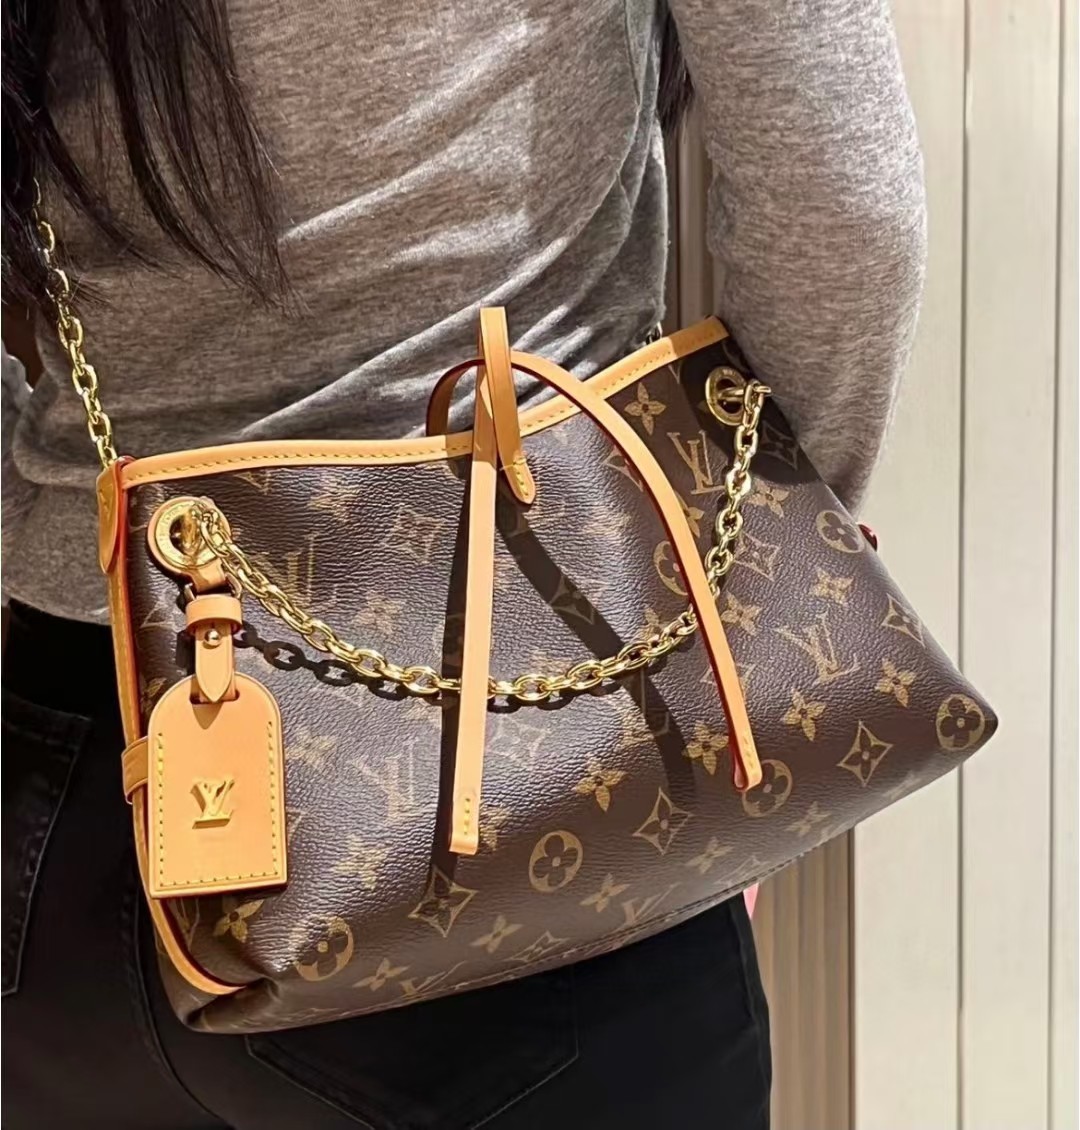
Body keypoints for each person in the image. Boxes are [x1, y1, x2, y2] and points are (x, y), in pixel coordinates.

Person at [0, 1, 926, 1126]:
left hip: (60, 810)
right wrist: (741, 613)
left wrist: (35, 522)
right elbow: (845, 208)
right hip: (526, 782)